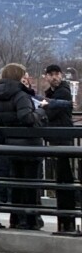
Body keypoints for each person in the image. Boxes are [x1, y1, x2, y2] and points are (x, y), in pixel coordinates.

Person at [0, 63, 47, 230]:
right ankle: (31, 220)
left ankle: (15, 219)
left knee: (15, 185)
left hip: (10, 146)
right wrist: (41, 110)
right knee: (31, 186)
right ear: (18, 76)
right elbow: (27, 118)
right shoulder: (20, 95)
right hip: (29, 146)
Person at [41, 64, 76, 233]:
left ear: (61, 76)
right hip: (55, 139)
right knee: (60, 179)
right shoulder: (51, 94)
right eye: (51, 74)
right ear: (46, 76)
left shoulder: (63, 91)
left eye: (57, 74)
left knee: (64, 178)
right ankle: (64, 220)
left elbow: (51, 113)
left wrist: (45, 105)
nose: (54, 77)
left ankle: (67, 219)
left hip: (63, 139)